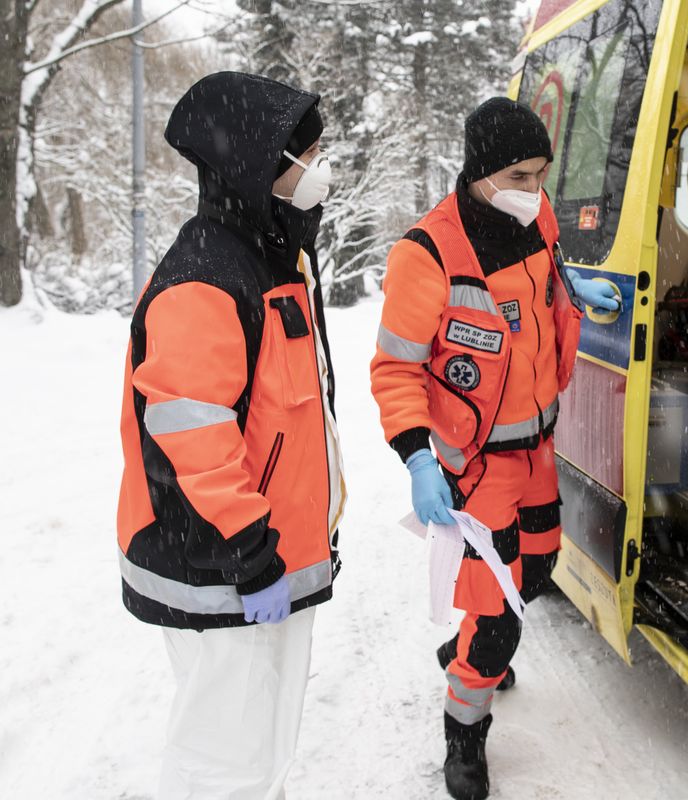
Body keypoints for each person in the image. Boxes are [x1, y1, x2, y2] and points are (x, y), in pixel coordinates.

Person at [370, 97, 619, 800]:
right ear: (481, 170)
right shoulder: (427, 254)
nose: (534, 189)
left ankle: (473, 644)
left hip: (538, 446)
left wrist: (575, 288)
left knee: (537, 570)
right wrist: (418, 456)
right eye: (518, 173)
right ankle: (465, 733)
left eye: (541, 173)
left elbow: (546, 280)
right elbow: (395, 369)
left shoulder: (534, 217)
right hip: (476, 469)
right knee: (499, 614)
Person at [115, 71, 345, 799]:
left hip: (265, 565)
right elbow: (194, 435)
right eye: (308, 155)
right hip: (224, 570)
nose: (320, 169)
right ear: (260, 166)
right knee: (222, 763)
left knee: (261, 750)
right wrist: (250, 551)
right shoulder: (207, 278)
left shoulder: (270, 254)